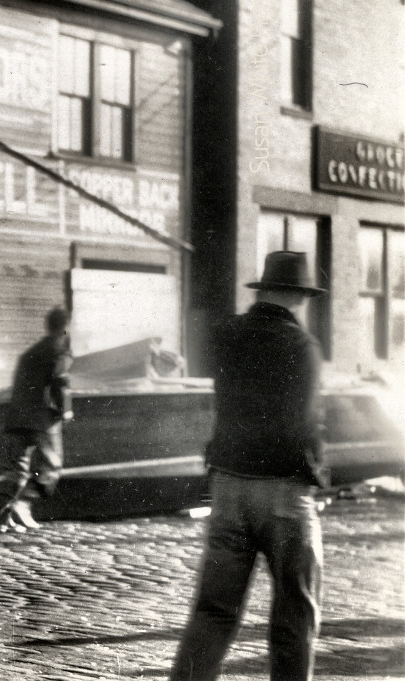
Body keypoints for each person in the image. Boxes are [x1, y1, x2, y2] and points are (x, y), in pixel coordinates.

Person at [170, 251, 327, 681]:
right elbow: (305, 425)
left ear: (264, 289)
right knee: (295, 612)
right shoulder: (303, 346)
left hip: (227, 487)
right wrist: (317, 477)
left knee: (213, 610)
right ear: (300, 296)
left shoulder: (228, 334)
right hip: (283, 494)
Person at [0, 306, 74, 533]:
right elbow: (60, 381)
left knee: (15, 470)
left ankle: (1, 520)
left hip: (16, 417)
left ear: (47, 325)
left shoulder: (30, 352)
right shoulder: (60, 349)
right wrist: (66, 410)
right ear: (66, 327)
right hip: (42, 419)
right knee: (51, 467)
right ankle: (23, 502)